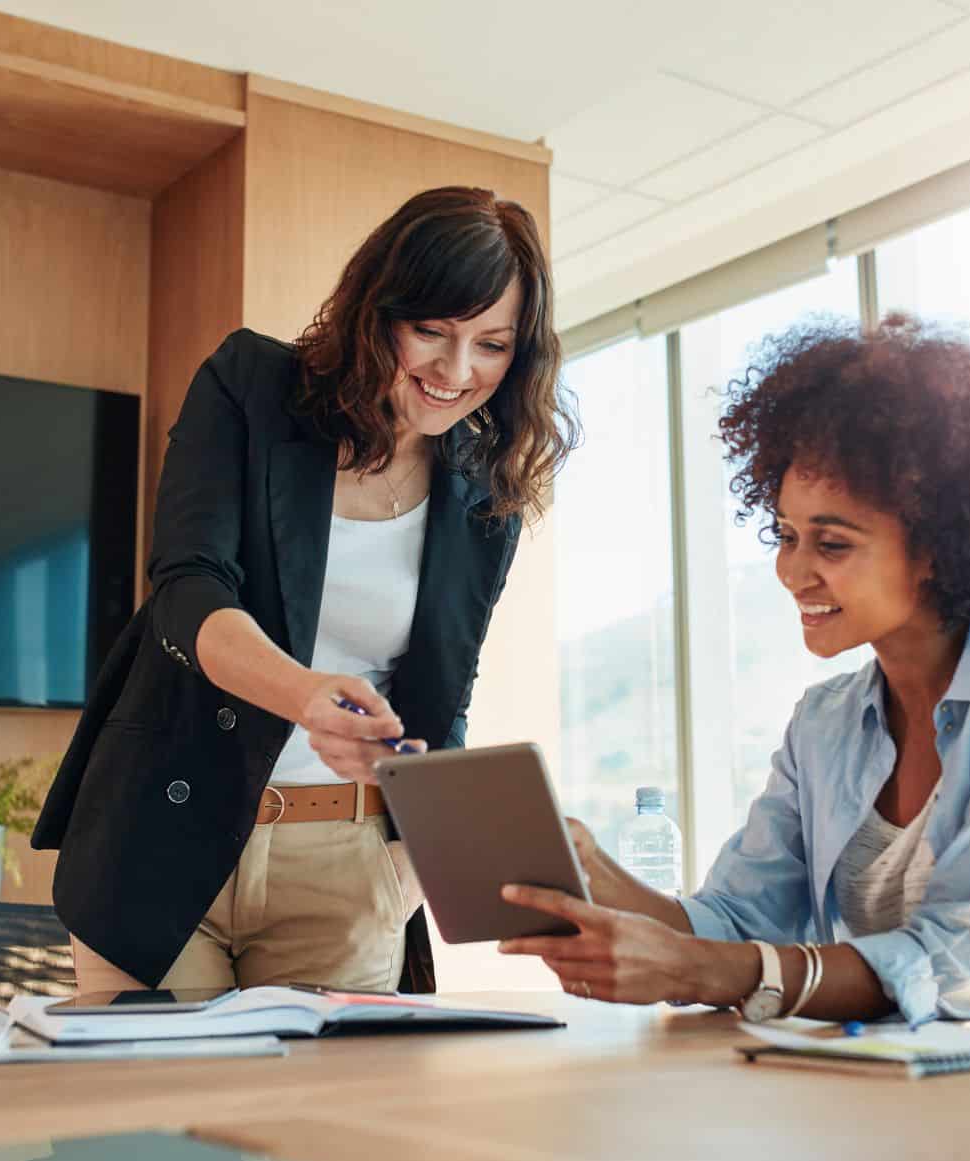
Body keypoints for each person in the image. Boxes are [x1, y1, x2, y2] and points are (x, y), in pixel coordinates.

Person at [501, 313, 970, 1026]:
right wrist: (598, 876)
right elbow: (738, 925)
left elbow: (953, 964)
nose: (794, 571)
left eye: (831, 543)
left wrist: (700, 968)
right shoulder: (826, 724)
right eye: (786, 535)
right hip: (909, 1088)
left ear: (936, 548)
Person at [32, 186, 577, 996]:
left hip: (346, 870)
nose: (456, 371)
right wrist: (304, 694)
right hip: (163, 837)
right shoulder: (252, 388)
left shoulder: (481, 498)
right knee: (147, 1118)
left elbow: (439, 702)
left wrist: (408, 876)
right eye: (430, 331)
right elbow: (187, 590)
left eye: (491, 345)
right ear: (378, 310)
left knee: (321, 1125)